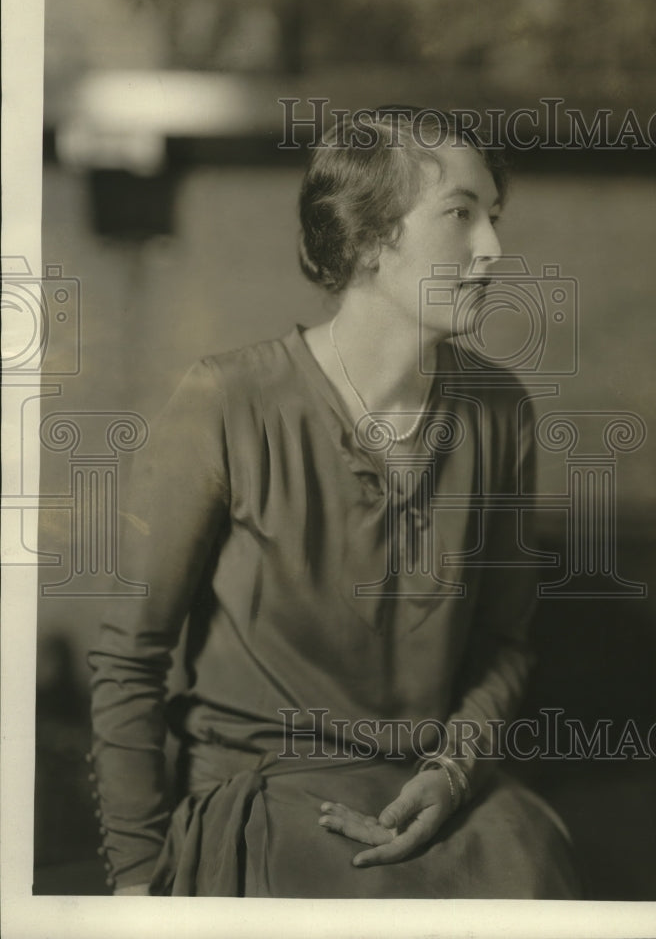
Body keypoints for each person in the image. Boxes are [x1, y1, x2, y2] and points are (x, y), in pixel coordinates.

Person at [88, 107, 581, 898]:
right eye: (459, 215)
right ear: (371, 236)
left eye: (493, 217)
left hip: (426, 791)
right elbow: (130, 657)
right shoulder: (229, 399)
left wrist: (452, 773)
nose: (491, 247)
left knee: (531, 862)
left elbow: (503, 645)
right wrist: (137, 879)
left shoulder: (500, 410)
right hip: (260, 794)